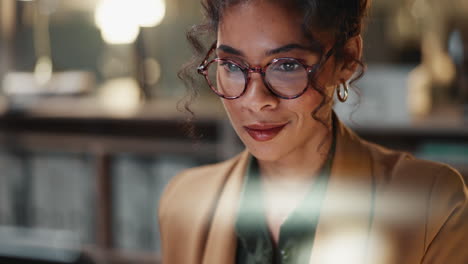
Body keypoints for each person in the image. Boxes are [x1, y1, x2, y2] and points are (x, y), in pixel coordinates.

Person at [158, 0, 468, 263]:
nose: (255, 101)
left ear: (347, 58)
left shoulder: (431, 204)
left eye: (288, 66)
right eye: (232, 65)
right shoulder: (184, 201)